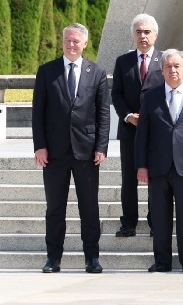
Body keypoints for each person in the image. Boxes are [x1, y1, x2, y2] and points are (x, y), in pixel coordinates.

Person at [32, 23, 110, 274]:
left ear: (85, 43)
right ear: (62, 42)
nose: (71, 44)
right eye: (67, 40)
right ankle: (53, 258)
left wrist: (101, 146)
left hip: (86, 152)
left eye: (76, 41)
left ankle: (92, 258)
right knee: (55, 208)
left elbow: (103, 114)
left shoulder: (96, 72)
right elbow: (38, 113)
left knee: (89, 207)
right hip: (54, 153)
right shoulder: (47, 72)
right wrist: (40, 146)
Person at [136, 50, 183, 274]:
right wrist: (141, 165)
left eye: (177, 66)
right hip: (158, 166)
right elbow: (142, 134)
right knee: (160, 217)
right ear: (162, 71)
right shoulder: (151, 96)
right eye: (168, 66)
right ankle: (162, 261)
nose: (173, 70)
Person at [111, 13, 163, 238]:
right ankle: (129, 222)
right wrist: (127, 116)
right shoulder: (123, 61)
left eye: (147, 32)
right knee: (129, 179)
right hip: (130, 130)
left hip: (157, 132)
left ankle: (156, 222)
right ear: (133, 35)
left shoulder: (166, 60)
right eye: (139, 32)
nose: (143, 36)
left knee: (155, 177)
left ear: (155, 34)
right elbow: (117, 94)